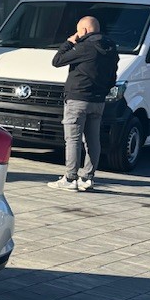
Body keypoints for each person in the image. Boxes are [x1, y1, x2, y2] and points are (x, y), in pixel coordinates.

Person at [49, 15, 119, 192]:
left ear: (85, 30)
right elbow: (113, 78)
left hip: (78, 99)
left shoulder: (85, 46)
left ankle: (70, 178)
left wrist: (69, 42)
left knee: (73, 139)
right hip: (98, 101)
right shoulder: (111, 48)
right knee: (93, 140)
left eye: (78, 31)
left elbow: (57, 61)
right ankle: (88, 178)